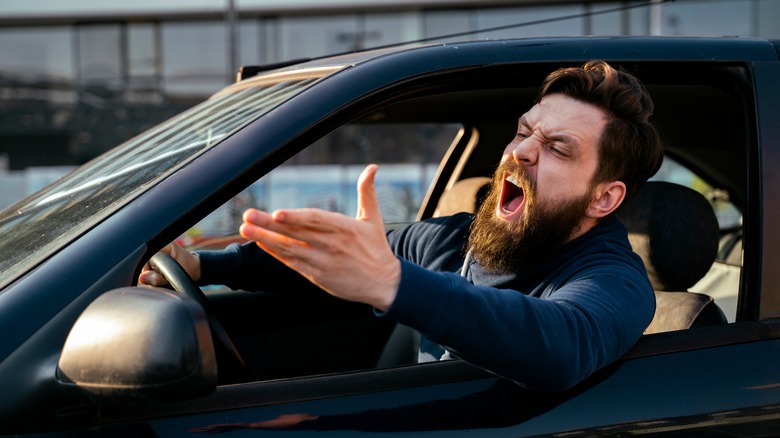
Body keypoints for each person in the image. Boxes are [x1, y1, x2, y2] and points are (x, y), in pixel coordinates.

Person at [140, 60, 664, 391]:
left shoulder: (615, 281)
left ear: (604, 197)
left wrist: (392, 283)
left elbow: (562, 347)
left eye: (557, 149)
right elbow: (331, 256)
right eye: (524, 132)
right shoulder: (450, 239)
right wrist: (206, 264)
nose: (522, 151)